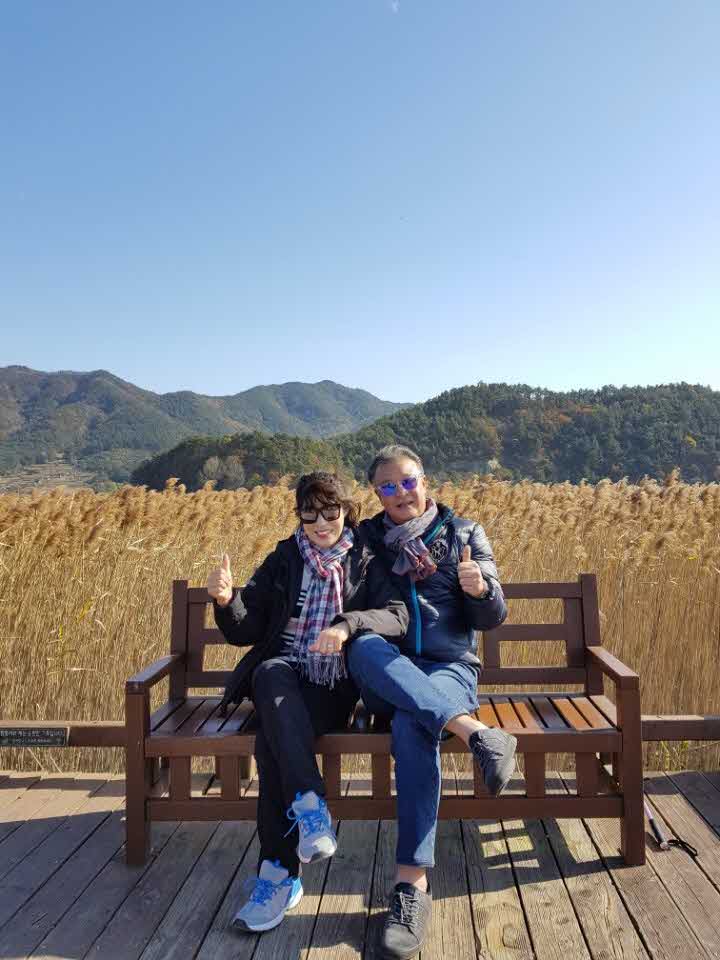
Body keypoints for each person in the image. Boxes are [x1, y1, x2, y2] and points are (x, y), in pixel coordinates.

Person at [207, 471, 408, 934]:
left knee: (271, 743)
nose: (320, 523)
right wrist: (226, 600)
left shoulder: (365, 557)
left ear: (345, 510)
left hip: (332, 684)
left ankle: (279, 875)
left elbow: (396, 616)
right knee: (268, 671)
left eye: (329, 512)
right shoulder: (285, 556)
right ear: (299, 515)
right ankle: (310, 808)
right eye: (309, 513)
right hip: (282, 674)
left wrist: (346, 626)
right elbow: (246, 629)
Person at [346, 444, 516, 960]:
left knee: (411, 724)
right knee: (363, 646)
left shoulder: (464, 534)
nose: (401, 493)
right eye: (388, 486)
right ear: (377, 494)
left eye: (408, 481)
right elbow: (321, 564)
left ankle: (411, 886)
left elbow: (492, 618)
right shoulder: (366, 541)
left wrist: (480, 589)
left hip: (449, 668)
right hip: (387, 668)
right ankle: (476, 733)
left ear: (425, 481)